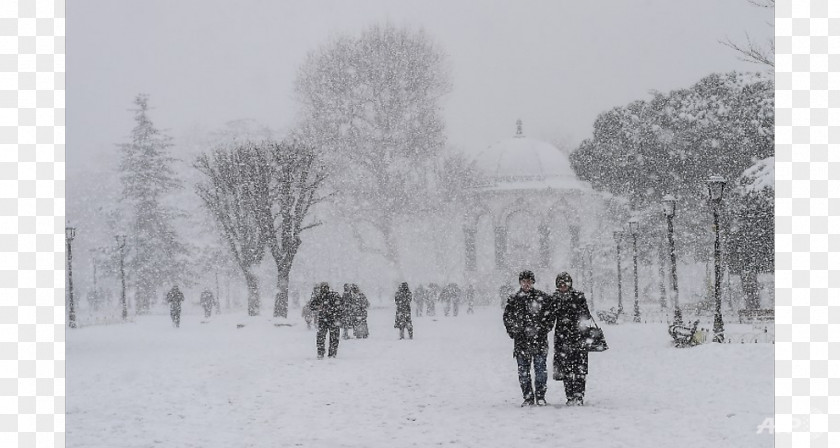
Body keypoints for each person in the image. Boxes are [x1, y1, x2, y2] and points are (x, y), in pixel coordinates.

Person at [503, 270, 554, 407]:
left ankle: (540, 396)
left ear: (533, 282)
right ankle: (528, 397)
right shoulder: (514, 299)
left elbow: (550, 317)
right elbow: (507, 318)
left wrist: (543, 329)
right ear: (520, 282)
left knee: (540, 370)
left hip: (539, 340)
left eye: (529, 281)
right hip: (521, 342)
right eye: (524, 281)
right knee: (523, 372)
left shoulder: (542, 298)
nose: (526, 284)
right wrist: (514, 331)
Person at [551, 272, 593, 406]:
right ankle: (570, 396)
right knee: (566, 369)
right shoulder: (554, 298)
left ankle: (579, 396)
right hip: (562, 338)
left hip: (578, 336)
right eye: (560, 284)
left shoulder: (578, 296)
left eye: (565, 283)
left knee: (580, 369)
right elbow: (549, 317)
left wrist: (573, 317)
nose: (563, 286)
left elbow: (586, 315)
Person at [310, 282, 343, 359]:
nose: (324, 289)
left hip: (330, 319)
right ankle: (326, 353)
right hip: (327, 319)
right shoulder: (322, 296)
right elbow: (312, 306)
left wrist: (330, 309)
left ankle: (328, 353)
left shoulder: (332, 295)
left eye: (325, 287)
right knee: (326, 337)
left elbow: (340, 306)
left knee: (327, 337)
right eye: (323, 287)